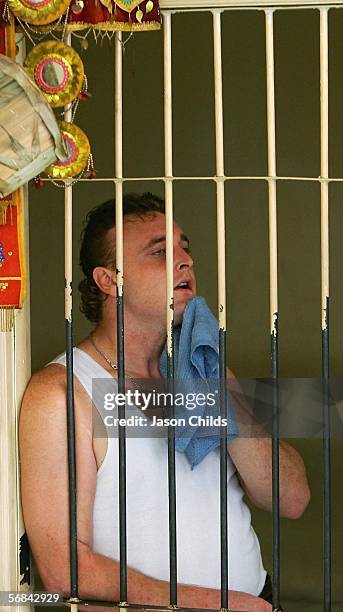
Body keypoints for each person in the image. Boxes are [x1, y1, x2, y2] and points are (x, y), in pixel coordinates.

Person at [19, 193, 311, 611]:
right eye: (159, 252)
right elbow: (64, 571)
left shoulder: (203, 373)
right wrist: (216, 603)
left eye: (184, 247)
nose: (185, 260)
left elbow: (293, 500)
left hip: (259, 601)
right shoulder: (63, 393)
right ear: (108, 280)